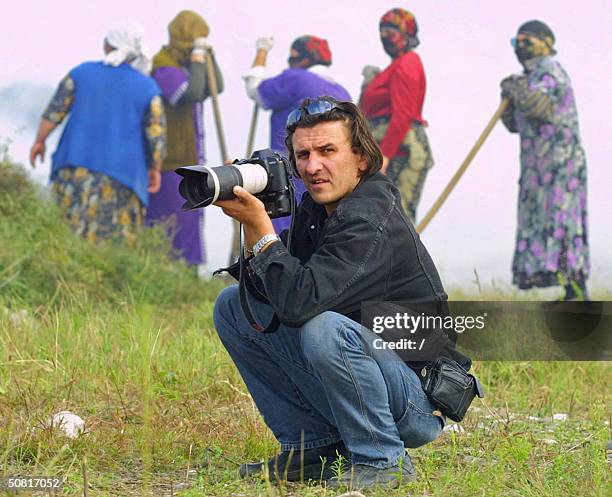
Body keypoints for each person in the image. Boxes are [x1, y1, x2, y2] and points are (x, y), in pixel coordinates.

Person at [212, 97, 471, 489]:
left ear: (362, 158)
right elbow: (275, 292)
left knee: (325, 327)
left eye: (327, 151)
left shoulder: (368, 218)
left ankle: (382, 461)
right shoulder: (320, 210)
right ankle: (314, 450)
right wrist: (255, 219)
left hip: (416, 396)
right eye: (303, 154)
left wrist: (262, 230)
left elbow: (300, 304)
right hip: (370, 371)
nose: (313, 166)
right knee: (233, 306)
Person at [29, 21, 166, 243]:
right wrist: (154, 169)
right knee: (111, 249)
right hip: (123, 180)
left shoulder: (82, 73)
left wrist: (39, 141)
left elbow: (54, 112)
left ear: (107, 45)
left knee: (62, 239)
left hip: (74, 171)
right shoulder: (147, 88)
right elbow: (156, 137)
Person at [500, 20, 590, 300]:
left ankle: (576, 292)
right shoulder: (529, 78)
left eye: (528, 41)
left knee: (562, 225)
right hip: (537, 170)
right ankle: (570, 292)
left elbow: (539, 106)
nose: (522, 47)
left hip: (562, 168)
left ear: (547, 42)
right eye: (518, 42)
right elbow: (516, 123)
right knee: (545, 225)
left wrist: (516, 88)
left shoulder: (550, 70)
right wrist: (510, 95)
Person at [242, 35, 351, 233]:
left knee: (283, 221)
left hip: (289, 165)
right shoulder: (342, 92)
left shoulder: (297, 78)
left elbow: (256, 89)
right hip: (328, 169)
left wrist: (262, 52)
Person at [147, 10, 223, 268]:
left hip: (190, 157)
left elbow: (216, 87)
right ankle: (168, 271)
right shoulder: (163, 65)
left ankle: (189, 271)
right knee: (173, 219)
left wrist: (208, 58)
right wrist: (199, 60)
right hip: (171, 160)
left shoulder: (184, 65)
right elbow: (189, 94)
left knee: (191, 219)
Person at [360, 8, 433, 222]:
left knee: (398, 217)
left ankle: (406, 256)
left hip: (400, 149)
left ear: (406, 34)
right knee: (380, 215)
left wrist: (385, 156)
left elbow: (404, 114)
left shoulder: (408, 62)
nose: (385, 37)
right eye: (381, 32)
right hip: (385, 147)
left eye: (391, 32)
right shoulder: (392, 67)